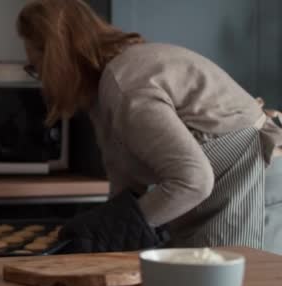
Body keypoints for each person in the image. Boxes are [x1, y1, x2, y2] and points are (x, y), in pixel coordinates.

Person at [17, 0, 282, 253]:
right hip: (220, 194)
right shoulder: (103, 97)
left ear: (57, 58)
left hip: (251, 187)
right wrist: (103, 227)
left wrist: (114, 229)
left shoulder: (126, 84)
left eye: (36, 67)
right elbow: (128, 188)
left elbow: (194, 180)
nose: (41, 80)